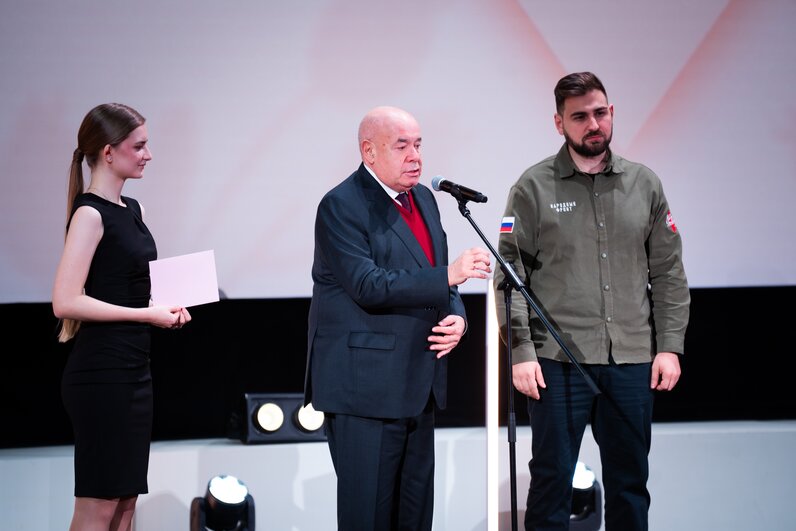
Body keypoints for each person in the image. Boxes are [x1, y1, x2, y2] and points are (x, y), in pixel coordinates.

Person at [493, 72, 690, 531]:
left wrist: (669, 346)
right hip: (558, 362)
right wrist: (521, 353)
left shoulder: (644, 184)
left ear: (612, 112)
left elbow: (668, 273)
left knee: (629, 485)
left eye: (600, 113)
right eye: (579, 116)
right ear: (559, 123)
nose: (593, 124)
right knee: (551, 485)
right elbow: (509, 278)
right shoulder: (533, 187)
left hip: (632, 360)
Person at [304, 105, 492, 530]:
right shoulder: (340, 205)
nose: (415, 157)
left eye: (419, 145)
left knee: (415, 518)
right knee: (368, 518)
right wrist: (448, 276)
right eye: (402, 146)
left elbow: (438, 271)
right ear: (369, 152)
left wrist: (458, 316)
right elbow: (367, 284)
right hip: (365, 391)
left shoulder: (424, 198)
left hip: (417, 383)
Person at [52, 102, 191, 531]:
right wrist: (146, 314)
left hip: (134, 372)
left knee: (126, 506)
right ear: (109, 152)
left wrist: (168, 305)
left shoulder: (133, 209)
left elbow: (131, 283)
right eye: (139, 146)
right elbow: (65, 301)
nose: (148, 154)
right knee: (98, 507)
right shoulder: (90, 213)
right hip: (101, 375)